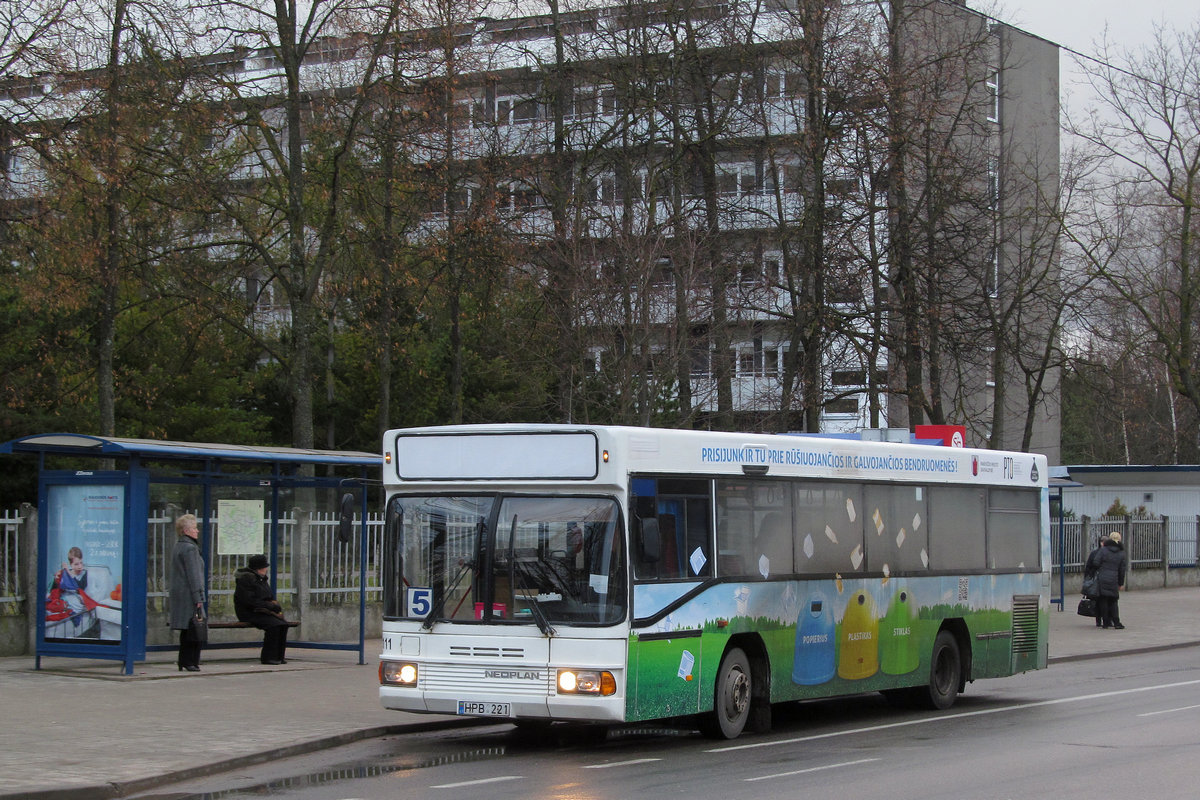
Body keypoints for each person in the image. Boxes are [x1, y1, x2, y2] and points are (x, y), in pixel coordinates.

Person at [234, 554, 290, 665]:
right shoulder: (247, 579)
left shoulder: (260, 578)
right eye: (264, 567)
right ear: (258, 568)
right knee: (274, 625)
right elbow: (250, 601)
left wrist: (274, 606)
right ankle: (268, 657)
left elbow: (268, 596)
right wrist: (270, 606)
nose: (266, 569)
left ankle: (279, 656)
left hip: (262, 610)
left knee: (283, 624)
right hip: (250, 612)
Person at [170, 514, 207, 671]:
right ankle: (190, 661)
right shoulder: (190, 548)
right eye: (194, 528)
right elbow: (194, 575)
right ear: (186, 531)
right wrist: (199, 597)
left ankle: (183, 660)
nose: (197, 531)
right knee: (195, 628)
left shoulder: (178, 546)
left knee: (187, 629)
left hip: (180, 593)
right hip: (190, 594)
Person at [1091, 531, 1127, 629]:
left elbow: (1096, 562)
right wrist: (1120, 583)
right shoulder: (1121, 553)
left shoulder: (1103, 550)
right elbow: (1122, 570)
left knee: (1103, 600)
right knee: (1113, 601)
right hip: (1114, 579)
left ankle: (1105, 622)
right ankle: (1116, 622)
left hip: (1102, 578)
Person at [1083, 536, 1107, 628]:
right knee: (1102, 601)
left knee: (1097, 600)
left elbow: (1088, 567)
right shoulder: (1103, 554)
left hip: (1096, 580)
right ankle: (1103, 619)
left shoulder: (1094, 553)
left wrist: (1087, 580)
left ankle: (1099, 620)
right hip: (1100, 580)